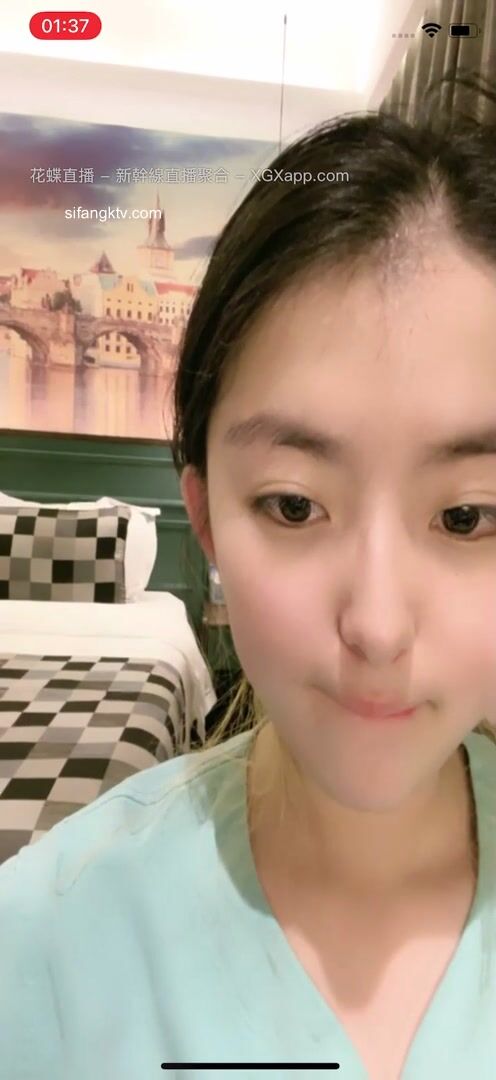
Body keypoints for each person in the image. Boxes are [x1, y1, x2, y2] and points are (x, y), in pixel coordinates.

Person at [2, 71, 496, 1080]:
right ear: (205, 518)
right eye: (293, 506)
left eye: (464, 516)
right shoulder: (44, 942)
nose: (377, 624)